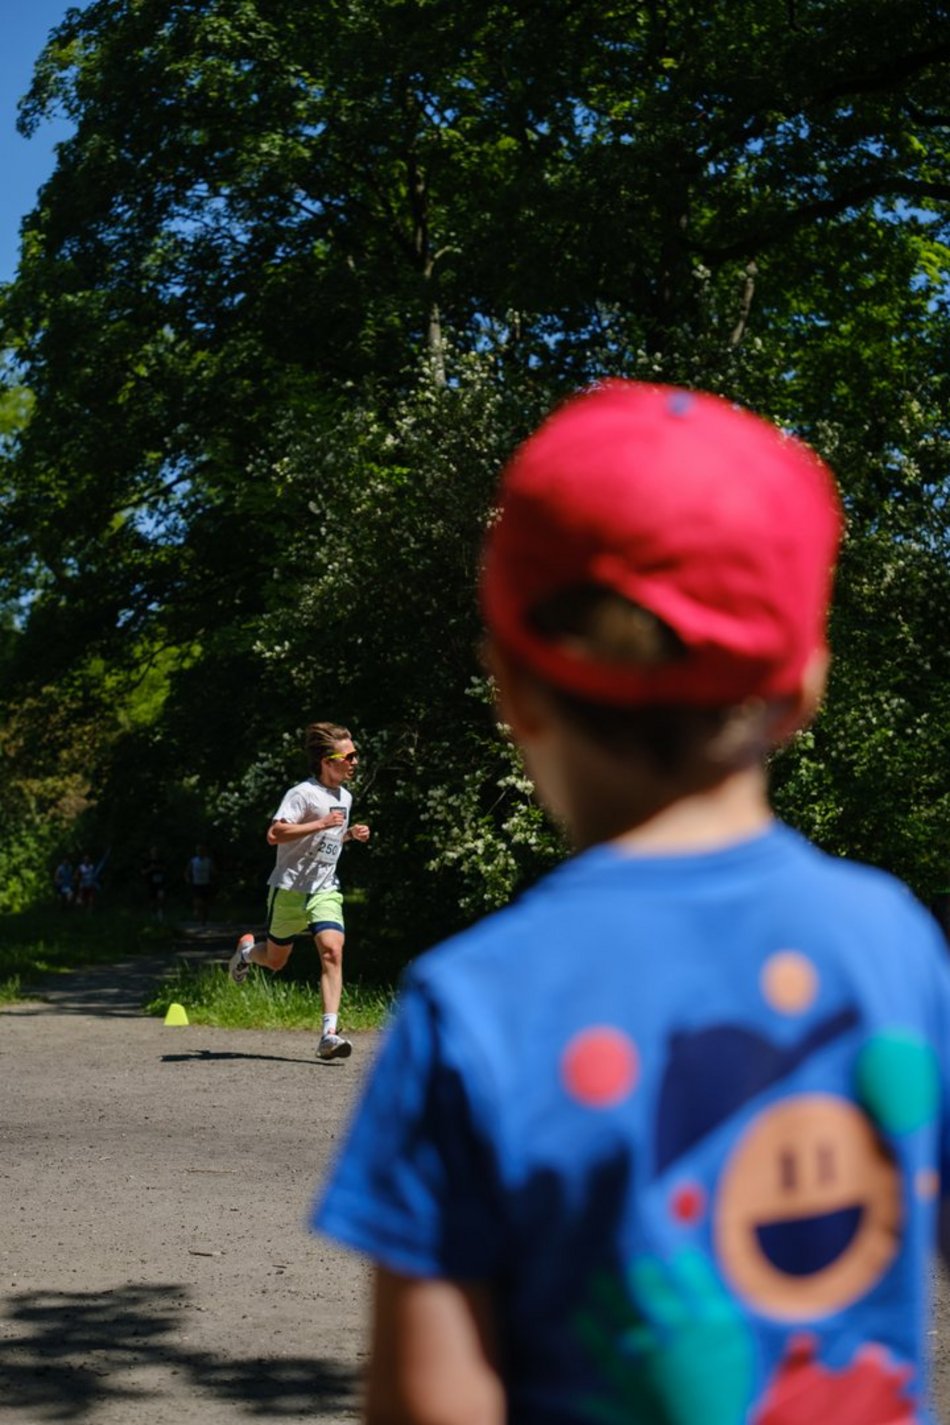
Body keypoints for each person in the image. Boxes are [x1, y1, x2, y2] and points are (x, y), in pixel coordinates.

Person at [311, 381, 950, 1424]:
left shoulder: (470, 1001)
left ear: (511, 689)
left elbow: (431, 1402)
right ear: (802, 686)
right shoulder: (894, 944)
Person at [229, 722, 370, 1061]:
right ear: (327, 759)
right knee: (277, 962)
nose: (355, 762)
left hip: (325, 889)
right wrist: (320, 823)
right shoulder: (301, 794)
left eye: (356, 755)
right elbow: (275, 834)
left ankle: (328, 1035)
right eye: (349, 756)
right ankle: (247, 953)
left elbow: (327, 840)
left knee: (333, 950)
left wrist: (348, 835)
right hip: (289, 889)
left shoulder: (345, 797)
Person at [184, 843, 215, 923]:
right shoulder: (193, 861)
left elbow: (213, 872)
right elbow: (187, 871)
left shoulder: (208, 861)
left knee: (206, 903)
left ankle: (204, 917)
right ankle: (198, 913)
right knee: (198, 901)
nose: (200, 852)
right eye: (198, 850)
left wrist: (213, 880)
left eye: (202, 850)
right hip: (196, 884)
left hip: (206, 883)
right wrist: (187, 879)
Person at [141, 845, 167, 921]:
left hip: (160, 883)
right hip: (151, 884)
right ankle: (153, 915)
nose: (155, 853)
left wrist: (159, 868)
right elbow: (142, 872)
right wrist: (150, 869)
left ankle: (160, 913)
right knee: (152, 901)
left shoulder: (161, 861)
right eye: (153, 851)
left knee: (161, 898)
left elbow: (165, 869)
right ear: (151, 852)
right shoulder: (147, 861)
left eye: (156, 851)